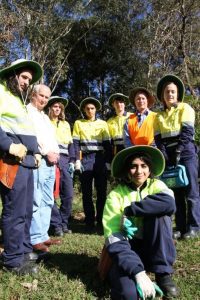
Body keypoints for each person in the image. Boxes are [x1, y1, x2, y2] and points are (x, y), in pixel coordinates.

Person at [102, 145, 179, 299]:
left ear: (150, 169)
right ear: (126, 170)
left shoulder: (157, 185)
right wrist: (138, 273)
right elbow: (113, 237)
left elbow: (169, 204)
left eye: (143, 166)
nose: (139, 171)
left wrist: (129, 210)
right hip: (127, 250)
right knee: (129, 294)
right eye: (133, 166)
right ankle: (137, 270)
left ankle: (162, 273)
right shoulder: (115, 195)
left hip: (153, 246)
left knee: (161, 214)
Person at [0, 59, 43, 274]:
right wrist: (7, 145)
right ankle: (12, 260)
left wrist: (34, 153)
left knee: (26, 210)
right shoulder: (0, 91)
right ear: (13, 74)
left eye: (29, 79)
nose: (27, 82)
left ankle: (24, 250)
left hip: (26, 162)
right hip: (11, 161)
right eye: (24, 77)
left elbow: (23, 129)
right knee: (14, 210)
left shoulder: (17, 99)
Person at [154, 74, 200, 239]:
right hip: (169, 156)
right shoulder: (158, 116)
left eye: (173, 91)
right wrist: (164, 154)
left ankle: (194, 227)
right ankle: (180, 227)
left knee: (191, 191)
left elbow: (187, 132)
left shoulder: (185, 108)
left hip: (186, 153)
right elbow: (158, 139)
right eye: (167, 92)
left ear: (178, 94)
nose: (170, 94)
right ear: (163, 96)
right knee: (177, 192)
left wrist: (179, 150)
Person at [27, 84, 61, 252]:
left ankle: (43, 235)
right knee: (36, 198)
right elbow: (32, 137)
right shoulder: (27, 112)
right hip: (39, 161)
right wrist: (47, 152)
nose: (44, 100)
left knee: (48, 199)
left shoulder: (45, 117)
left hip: (51, 163)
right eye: (42, 96)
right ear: (33, 94)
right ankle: (35, 238)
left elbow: (50, 138)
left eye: (47, 97)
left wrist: (56, 152)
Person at [72, 97, 112, 232]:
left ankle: (100, 221)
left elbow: (108, 145)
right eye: (87, 108)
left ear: (96, 110)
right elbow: (76, 144)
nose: (90, 110)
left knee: (101, 192)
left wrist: (108, 162)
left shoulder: (103, 123)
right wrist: (77, 160)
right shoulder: (78, 123)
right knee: (87, 193)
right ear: (84, 109)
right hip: (86, 159)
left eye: (92, 108)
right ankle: (89, 222)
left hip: (100, 158)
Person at [47, 96, 75, 236]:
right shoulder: (44, 122)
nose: (57, 109)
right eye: (55, 106)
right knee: (49, 195)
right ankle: (56, 224)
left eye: (59, 107)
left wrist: (72, 161)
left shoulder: (65, 124)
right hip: (49, 160)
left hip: (65, 160)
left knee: (68, 195)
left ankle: (64, 223)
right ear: (50, 108)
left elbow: (70, 145)